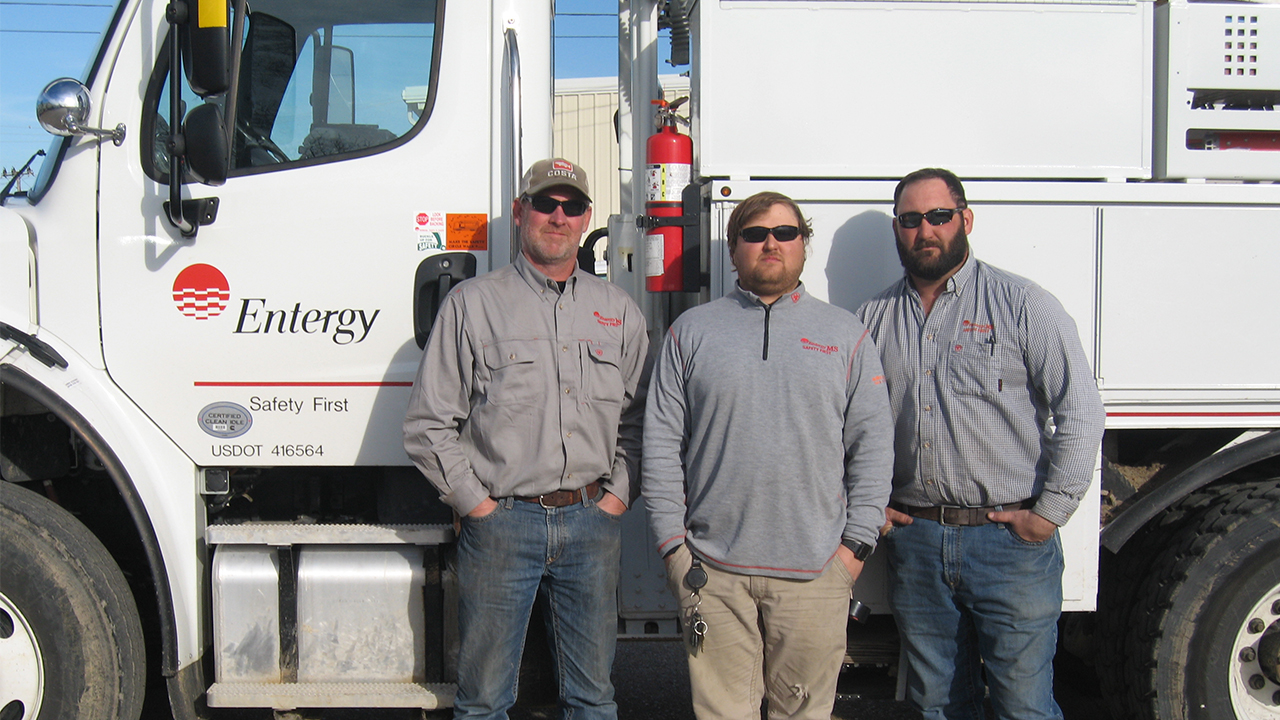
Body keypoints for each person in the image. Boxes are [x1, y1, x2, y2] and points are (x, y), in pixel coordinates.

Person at [856, 168, 1105, 720]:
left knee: (1023, 707)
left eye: (939, 216)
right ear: (898, 230)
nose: (926, 230)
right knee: (937, 706)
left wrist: (1050, 513)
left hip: (1009, 546)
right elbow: (847, 425)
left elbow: (1081, 408)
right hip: (916, 543)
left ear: (965, 220)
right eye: (911, 219)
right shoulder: (872, 319)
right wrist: (868, 506)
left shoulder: (1021, 304)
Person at [404, 158, 648, 720]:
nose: (557, 216)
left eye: (571, 206)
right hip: (501, 528)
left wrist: (615, 498)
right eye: (545, 203)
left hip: (592, 523)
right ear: (520, 212)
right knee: (484, 700)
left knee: (593, 699)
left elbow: (638, 422)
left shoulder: (619, 312)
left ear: (587, 219)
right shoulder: (472, 304)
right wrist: (479, 506)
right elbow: (427, 424)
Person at [643, 191, 894, 720]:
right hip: (711, 575)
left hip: (816, 576)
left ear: (804, 243)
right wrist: (673, 550)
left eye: (785, 233)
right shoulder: (691, 332)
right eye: (755, 235)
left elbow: (872, 448)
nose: (771, 244)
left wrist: (851, 554)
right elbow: (661, 444)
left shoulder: (846, 334)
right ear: (734, 250)